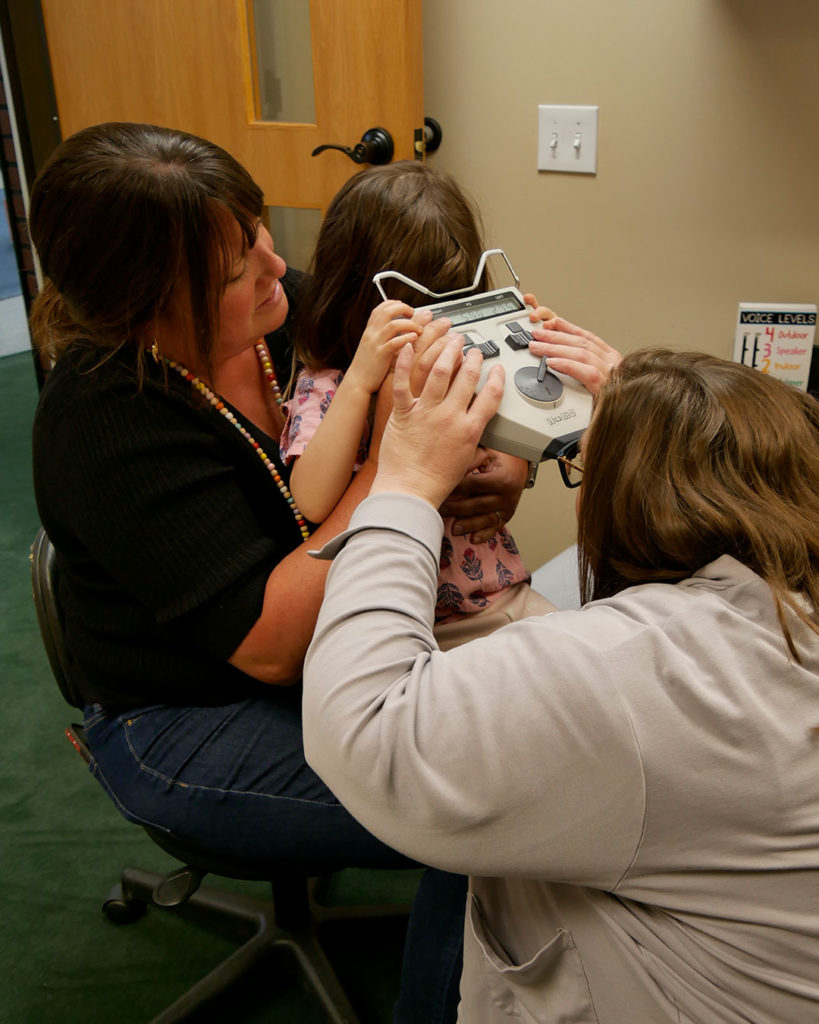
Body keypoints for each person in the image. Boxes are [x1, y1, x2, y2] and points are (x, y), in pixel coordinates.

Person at [27, 121, 530, 1023]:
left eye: (256, 231)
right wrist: (396, 473)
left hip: (333, 645)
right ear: (144, 304)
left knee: (535, 744)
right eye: (234, 271)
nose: (274, 267)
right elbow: (269, 649)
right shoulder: (104, 421)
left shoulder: (282, 308)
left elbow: (457, 398)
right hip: (192, 712)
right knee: (485, 807)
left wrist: (502, 469)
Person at [302, 324, 819, 1023]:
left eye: (583, 467)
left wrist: (404, 484)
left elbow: (364, 731)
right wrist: (664, 409)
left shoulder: (637, 673)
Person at [280, 162, 555, 649]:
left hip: (502, 600)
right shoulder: (329, 387)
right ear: (360, 300)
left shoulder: (465, 367)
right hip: (403, 626)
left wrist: (531, 351)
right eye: (417, 310)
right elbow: (312, 499)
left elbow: (533, 436)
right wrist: (364, 381)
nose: (438, 331)